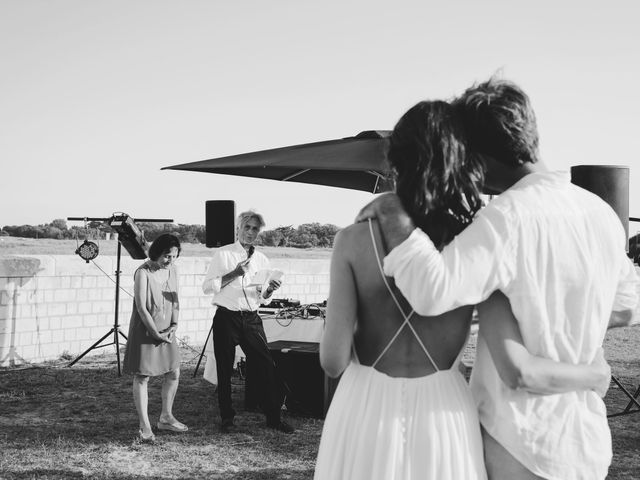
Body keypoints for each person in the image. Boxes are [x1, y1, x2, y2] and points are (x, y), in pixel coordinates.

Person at [356, 78, 639, 479]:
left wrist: (392, 212)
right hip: (584, 438)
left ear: (480, 156)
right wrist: (555, 316)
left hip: (519, 440)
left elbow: (431, 292)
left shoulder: (507, 218)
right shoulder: (599, 213)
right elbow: (628, 307)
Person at [202, 210, 293, 434]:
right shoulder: (223, 255)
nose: (251, 232)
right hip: (226, 316)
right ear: (238, 229)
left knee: (265, 366)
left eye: (255, 229)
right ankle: (227, 418)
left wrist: (269, 290)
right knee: (225, 370)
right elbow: (207, 287)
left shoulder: (262, 259)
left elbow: (260, 296)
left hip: (251, 318)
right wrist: (234, 273)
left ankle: (273, 417)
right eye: (247, 227)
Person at [123, 233, 188, 443]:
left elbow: (176, 299)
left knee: (174, 373)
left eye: (174, 256)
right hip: (146, 331)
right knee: (142, 377)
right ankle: (145, 426)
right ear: (157, 252)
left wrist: (174, 326)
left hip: (168, 331)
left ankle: (166, 417)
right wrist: (155, 334)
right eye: (167, 256)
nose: (170, 260)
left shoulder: (174, 270)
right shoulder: (142, 273)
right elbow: (142, 308)